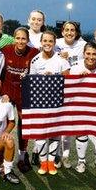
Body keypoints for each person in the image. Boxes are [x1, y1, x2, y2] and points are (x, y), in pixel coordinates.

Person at [30, 31, 70, 175]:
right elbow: (31, 82)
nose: (47, 43)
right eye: (45, 41)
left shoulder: (62, 60)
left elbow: (68, 82)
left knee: (54, 133)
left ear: (54, 43)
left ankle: (51, 162)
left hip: (57, 102)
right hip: (39, 103)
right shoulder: (35, 61)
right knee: (40, 134)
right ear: (41, 42)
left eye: (50, 41)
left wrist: (55, 78)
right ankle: (43, 162)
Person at [0, 27, 39, 172]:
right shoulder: (6, 50)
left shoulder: (34, 53)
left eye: (23, 38)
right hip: (8, 91)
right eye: (18, 38)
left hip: (25, 92)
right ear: (14, 38)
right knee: (4, 122)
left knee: (24, 123)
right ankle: (1, 156)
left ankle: (22, 156)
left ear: (27, 40)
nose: (20, 41)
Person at [71, 42, 96, 174]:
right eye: (88, 53)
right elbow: (69, 86)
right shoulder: (76, 67)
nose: (91, 57)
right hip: (81, 103)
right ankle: (81, 161)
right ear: (83, 54)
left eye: (94, 54)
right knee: (81, 131)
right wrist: (79, 78)